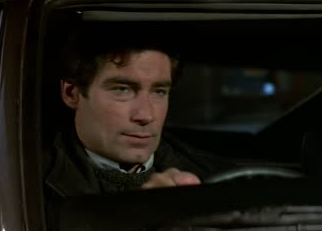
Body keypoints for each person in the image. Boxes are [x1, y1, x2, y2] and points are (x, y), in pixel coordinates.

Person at [44, 28, 235, 198]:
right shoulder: (32, 184)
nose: (145, 115)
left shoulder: (215, 178)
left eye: (159, 92)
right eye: (122, 90)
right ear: (72, 93)